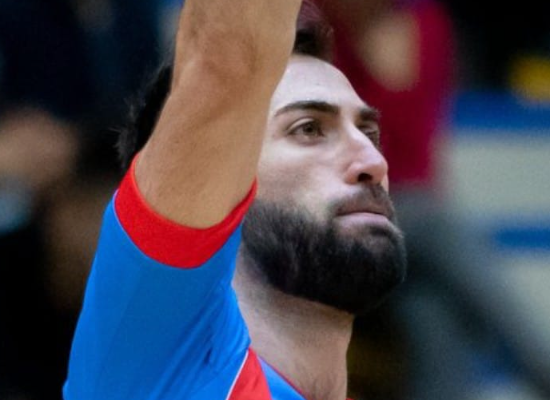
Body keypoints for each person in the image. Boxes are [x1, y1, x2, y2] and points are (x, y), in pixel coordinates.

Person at [64, 0, 407, 399]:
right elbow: (224, 63)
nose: (374, 162)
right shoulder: (159, 348)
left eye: (369, 134)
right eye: (309, 128)